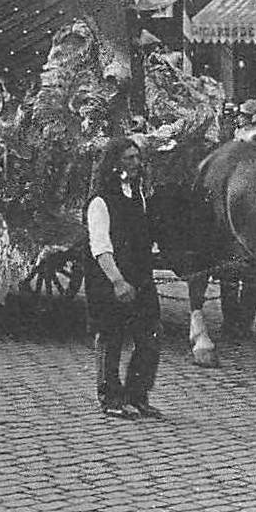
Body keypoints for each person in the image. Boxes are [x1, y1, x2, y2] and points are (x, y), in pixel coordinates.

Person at [83, 136, 162, 420]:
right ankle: (111, 398)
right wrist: (117, 281)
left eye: (137, 158)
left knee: (150, 336)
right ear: (115, 163)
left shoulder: (137, 195)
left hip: (140, 278)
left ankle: (137, 395)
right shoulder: (100, 202)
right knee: (111, 336)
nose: (136, 164)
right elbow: (100, 247)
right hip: (110, 279)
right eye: (129, 158)